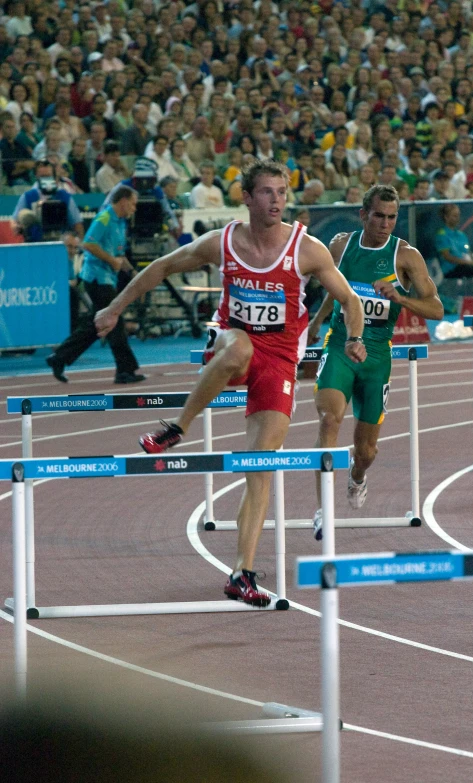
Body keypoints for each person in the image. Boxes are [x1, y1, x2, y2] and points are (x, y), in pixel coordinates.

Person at [95, 160, 366, 606]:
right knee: (239, 348)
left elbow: (350, 300)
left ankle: (242, 573)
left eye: (281, 191)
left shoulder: (305, 248)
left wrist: (354, 337)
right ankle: (177, 428)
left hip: (279, 358)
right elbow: (162, 266)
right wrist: (116, 308)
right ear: (246, 197)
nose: (276, 200)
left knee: (260, 467)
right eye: (266, 192)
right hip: (230, 342)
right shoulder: (223, 243)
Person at [307, 184, 443, 540]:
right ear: (363, 214)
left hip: (378, 357)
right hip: (339, 345)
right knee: (329, 418)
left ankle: (357, 475)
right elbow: (334, 290)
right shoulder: (340, 245)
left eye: (392, 217)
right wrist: (319, 320)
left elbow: (437, 309)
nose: (385, 224)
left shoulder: (406, 257)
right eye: (379, 216)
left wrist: (400, 297)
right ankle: (323, 510)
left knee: (365, 450)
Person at [46, 184, 145, 385]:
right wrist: (110, 260)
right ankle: (125, 369)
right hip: (96, 278)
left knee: (96, 324)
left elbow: (119, 253)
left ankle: (60, 357)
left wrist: (133, 272)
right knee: (113, 320)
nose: (135, 208)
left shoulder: (120, 223)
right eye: (133, 204)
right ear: (123, 201)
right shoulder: (105, 218)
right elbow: (89, 244)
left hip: (107, 278)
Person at [12, 159, 84, 241]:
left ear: (53, 176)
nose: (45, 179)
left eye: (48, 176)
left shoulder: (65, 197)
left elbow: (77, 223)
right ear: (36, 176)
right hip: (35, 244)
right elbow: (15, 220)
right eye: (42, 176)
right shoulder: (28, 196)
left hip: (60, 243)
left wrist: (80, 246)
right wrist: (17, 226)